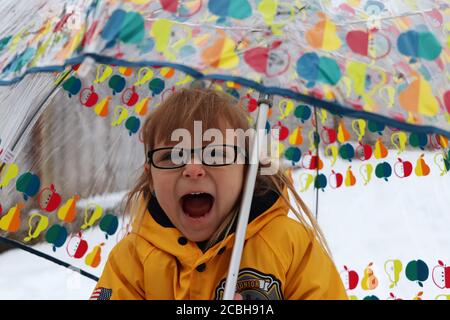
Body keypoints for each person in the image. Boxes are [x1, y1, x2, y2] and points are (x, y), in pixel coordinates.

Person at [91, 87, 347, 300]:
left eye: (215, 153)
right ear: (150, 174)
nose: (192, 168)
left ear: (247, 170)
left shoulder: (288, 245)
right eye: (171, 156)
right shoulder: (132, 260)